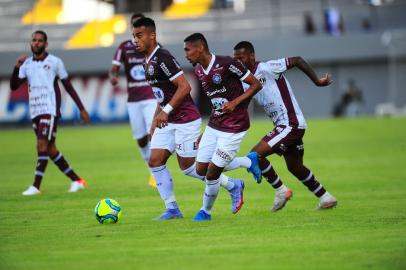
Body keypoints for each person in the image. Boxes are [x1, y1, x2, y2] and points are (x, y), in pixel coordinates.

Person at [133, 18, 245, 220]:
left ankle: (234, 183)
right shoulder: (146, 60)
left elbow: (185, 87)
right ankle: (172, 209)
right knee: (155, 160)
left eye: (139, 36)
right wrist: (154, 122)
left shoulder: (163, 57)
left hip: (185, 119)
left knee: (190, 169)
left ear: (152, 35)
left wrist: (166, 111)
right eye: (134, 36)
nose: (135, 40)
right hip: (167, 120)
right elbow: (161, 94)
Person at [225, 41, 337, 211]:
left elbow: (297, 60)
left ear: (251, 56)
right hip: (288, 126)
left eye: (240, 57)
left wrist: (317, 81)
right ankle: (325, 197)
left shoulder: (267, 68)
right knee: (294, 166)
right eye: (235, 58)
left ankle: (281, 191)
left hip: (290, 124)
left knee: (255, 156)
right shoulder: (244, 80)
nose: (237, 61)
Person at [183, 33, 263, 221]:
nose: (186, 54)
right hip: (215, 124)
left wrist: (236, 102)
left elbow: (255, 85)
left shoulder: (227, 63)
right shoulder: (199, 71)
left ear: (200, 47)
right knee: (200, 169)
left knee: (212, 173)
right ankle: (248, 162)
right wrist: (206, 130)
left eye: (188, 49)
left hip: (235, 126)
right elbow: (216, 102)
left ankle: (205, 212)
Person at [10, 30, 90, 195]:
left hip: (49, 109)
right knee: (50, 149)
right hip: (35, 111)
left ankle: (36, 186)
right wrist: (16, 67)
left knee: (41, 145)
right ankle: (77, 180)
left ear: (46, 44)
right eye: (34, 40)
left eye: (40, 40)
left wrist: (81, 108)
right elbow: (14, 86)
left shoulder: (55, 62)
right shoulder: (26, 64)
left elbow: (68, 86)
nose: (36, 43)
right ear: (31, 43)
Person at [110, 13, 157, 187]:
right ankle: (151, 168)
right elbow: (114, 68)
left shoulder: (152, 47)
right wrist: (114, 76)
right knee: (140, 139)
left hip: (151, 97)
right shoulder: (124, 47)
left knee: (153, 134)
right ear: (131, 28)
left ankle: (156, 172)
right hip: (133, 99)